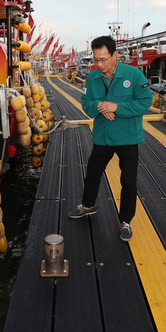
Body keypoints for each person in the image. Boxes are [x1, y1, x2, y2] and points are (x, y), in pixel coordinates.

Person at [68, 35, 152, 241]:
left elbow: (145, 102)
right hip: (103, 136)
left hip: (128, 137)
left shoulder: (133, 75)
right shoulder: (92, 77)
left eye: (103, 59)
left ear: (115, 55)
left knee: (128, 180)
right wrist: (99, 106)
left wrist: (117, 107)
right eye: (96, 59)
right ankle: (88, 205)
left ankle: (126, 221)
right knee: (93, 172)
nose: (99, 64)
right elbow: (86, 103)